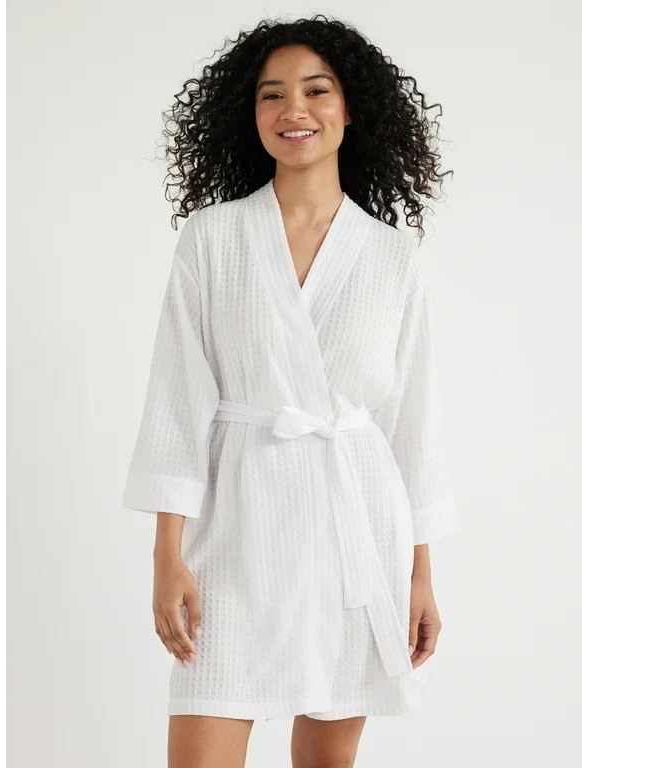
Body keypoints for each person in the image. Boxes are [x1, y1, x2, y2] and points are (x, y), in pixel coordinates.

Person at [121, 14, 461, 768]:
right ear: (250, 115)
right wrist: (167, 555)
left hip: (356, 536)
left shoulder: (391, 257)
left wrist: (420, 573)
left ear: (351, 108)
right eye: (271, 94)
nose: (293, 109)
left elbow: (412, 423)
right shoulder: (214, 238)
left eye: (316, 90)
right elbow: (178, 397)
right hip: (237, 534)